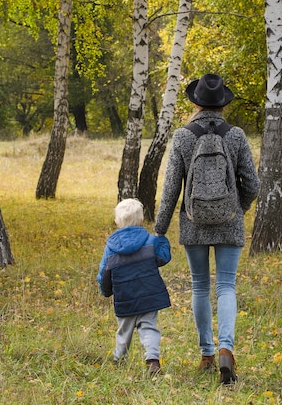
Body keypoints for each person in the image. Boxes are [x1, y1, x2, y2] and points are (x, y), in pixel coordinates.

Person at [154, 73, 260, 384]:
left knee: (200, 286)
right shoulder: (236, 136)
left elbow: (172, 187)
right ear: (223, 104)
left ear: (196, 103)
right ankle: (227, 349)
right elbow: (252, 184)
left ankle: (207, 354)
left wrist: (159, 229)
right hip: (229, 221)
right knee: (226, 286)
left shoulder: (183, 137)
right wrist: (238, 208)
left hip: (194, 221)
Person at [97, 198, 172, 376]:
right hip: (149, 295)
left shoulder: (112, 248)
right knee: (149, 327)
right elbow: (163, 258)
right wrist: (162, 240)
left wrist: (106, 290)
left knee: (124, 330)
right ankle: (153, 359)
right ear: (141, 220)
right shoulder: (150, 241)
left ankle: (119, 359)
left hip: (125, 296)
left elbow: (104, 272)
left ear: (117, 221)